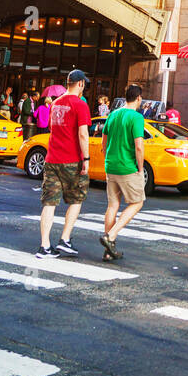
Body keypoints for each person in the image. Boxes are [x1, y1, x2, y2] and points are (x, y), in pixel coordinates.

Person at [37, 70, 90, 259]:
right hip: (71, 159)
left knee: (49, 203)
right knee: (77, 199)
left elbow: (52, 127)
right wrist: (86, 159)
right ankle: (65, 239)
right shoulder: (81, 105)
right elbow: (83, 134)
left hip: (52, 158)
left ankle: (44, 246)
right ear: (81, 84)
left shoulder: (55, 103)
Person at [100, 83, 146, 261]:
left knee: (112, 206)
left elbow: (104, 141)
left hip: (111, 165)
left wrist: (107, 156)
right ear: (139, 98)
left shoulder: (113, 114)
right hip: (127, 167)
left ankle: (108, 251)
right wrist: (140, 169)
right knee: (137, 202)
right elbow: (139, 147)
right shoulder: (136, 117)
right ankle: (111, 236)